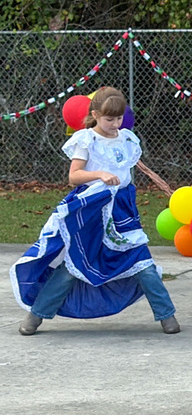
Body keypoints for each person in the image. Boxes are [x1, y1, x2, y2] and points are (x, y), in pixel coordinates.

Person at [11, 87, 181, 335]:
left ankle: (167, 316)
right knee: (74, 266)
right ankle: (36, 316)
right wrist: (99, 175)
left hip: (122, 213)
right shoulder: (85, 140)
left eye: (119, 118)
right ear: (95, 115)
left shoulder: (127, 139)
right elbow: (74, 176)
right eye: (109, 119)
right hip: (90, 212)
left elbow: (125, 175)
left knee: (142, 262)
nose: (115, 124)